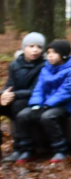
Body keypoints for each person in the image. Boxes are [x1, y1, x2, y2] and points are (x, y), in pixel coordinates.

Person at [15, 39, 71, 164]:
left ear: (63, 55)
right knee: (23, 115)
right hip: (45, 103)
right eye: (48, 52)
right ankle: (27, 149)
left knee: (48, 117)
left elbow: (66, 92)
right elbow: (39, 89)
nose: (49, 56)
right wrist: (36, 104)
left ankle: (60, 149)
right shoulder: (45, 69)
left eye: (54, 53)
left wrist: (48, 104)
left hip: (65, 105)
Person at [2, 32, 46, 161]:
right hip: (16, 97)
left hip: (34, 100)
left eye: (39, 47)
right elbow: (10, 85)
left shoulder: (43, 66)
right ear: (24, 47)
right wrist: (3, 95)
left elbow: (36, 90)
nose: (35, 50)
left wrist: (14, 95)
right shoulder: (15, 65)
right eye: (31, 46)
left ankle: (24, 148)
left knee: (17, 106)